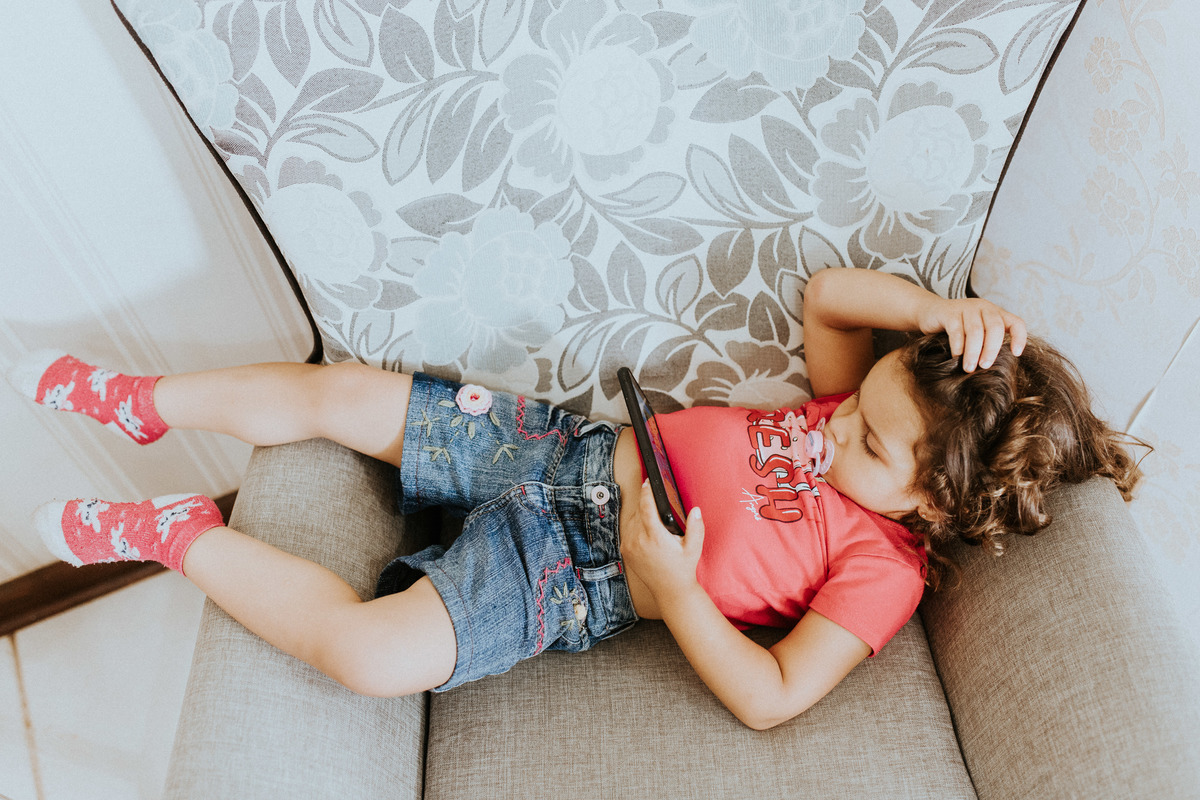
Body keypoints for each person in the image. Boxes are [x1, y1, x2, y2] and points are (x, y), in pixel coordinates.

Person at [7, 269, 1142, 730]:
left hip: (576, 573)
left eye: (869, 440)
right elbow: (828, 297)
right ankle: (142, 401)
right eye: (859, 404)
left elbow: (776, 694)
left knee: (369, 653)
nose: (834, 420)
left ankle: (176, 537)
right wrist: (937, 314)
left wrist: (675, 591)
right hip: (567, 448)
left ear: (933, 506)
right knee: (346, 392)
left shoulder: (885, 567)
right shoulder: (860, 402)